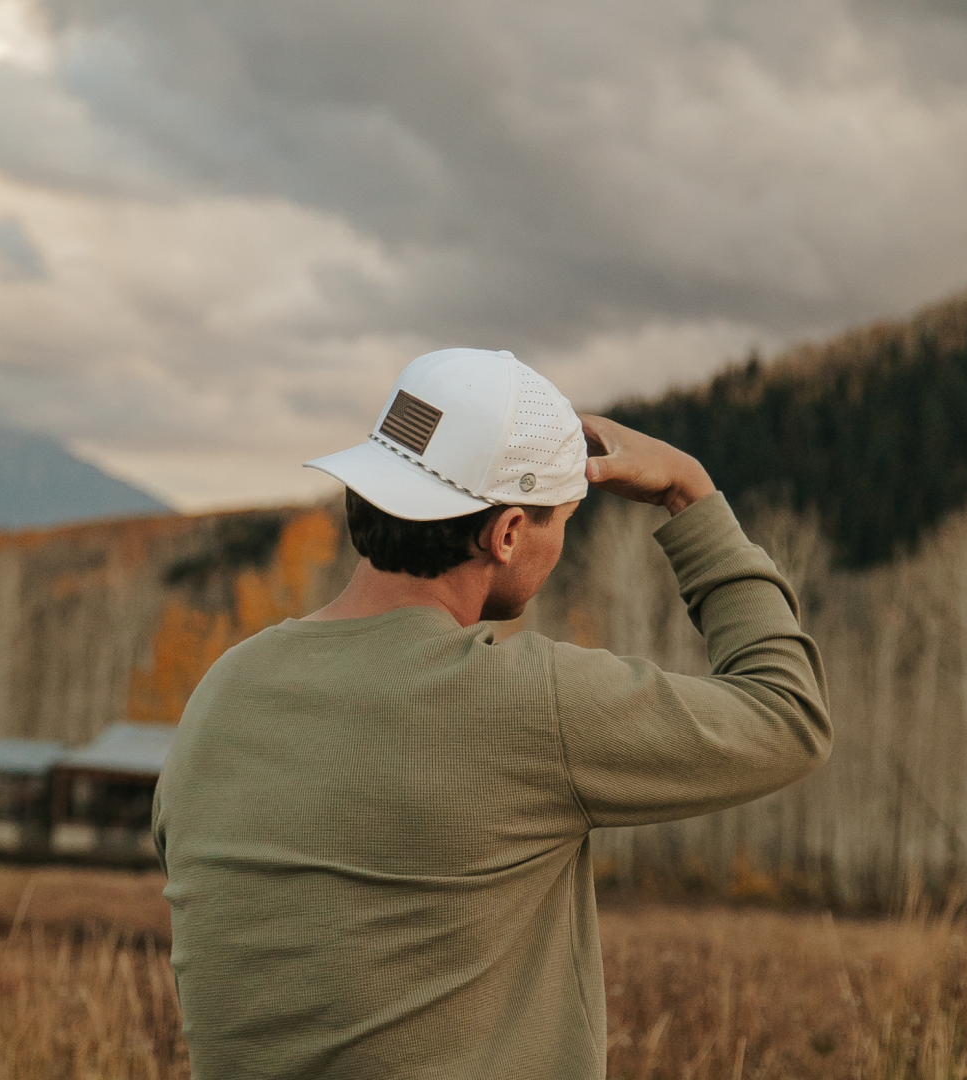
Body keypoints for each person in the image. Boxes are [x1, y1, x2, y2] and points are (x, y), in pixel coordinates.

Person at [152, 347, 831, 1080]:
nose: (560, 545)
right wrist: (691, 497)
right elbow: (788, 714)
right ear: (506, 534)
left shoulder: (224, 691)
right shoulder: (526, 705)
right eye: (561, 520)